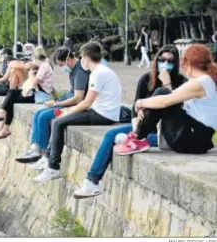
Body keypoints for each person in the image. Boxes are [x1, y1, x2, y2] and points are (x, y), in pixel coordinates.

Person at [73, 44, 187, 198]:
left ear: (176, 63)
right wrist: (135, 125)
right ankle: (92, 182)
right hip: (143, 128)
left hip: (167, 133)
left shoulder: (182, 82)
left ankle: (131, 140)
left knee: (134, 136)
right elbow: (135, 107)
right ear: (156, 60)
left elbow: (177, 109)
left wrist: (167, 84)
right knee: (111, 135)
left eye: (170, 61)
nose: (165, 64)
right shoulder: (146, 79)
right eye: (162, 59)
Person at [33, 42, 122, 182]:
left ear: (86, 57)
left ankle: (53, 167)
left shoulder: (98, 73)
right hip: (102, 112)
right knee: (58, 121)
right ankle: (48, 159)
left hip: (102, 115)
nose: (81, 61)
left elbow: (86, 102)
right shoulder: (101, 71)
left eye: (81, 57)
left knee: (57, 122)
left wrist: (68, 111)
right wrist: (68, 111)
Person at [114, 44, 217, 156]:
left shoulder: (200, 82)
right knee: (161, 94)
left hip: (191, 140)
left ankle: (138, 138)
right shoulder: (206, 80)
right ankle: (137, 136)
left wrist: (140, 103)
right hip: (198, 140)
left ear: (187, 63)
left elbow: (166, 100)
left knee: (161, 92)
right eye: (162, 60)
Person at [15, 46, 90, 163]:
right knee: (38, 113)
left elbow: (78, 98)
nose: (62, 68)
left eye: (61, 65)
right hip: (66, 100)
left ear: (68, 59)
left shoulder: (80, 72)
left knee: (44, 116)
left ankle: (44, 153)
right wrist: (56, 100)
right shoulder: (73, 70)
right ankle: (34, 146)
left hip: (74, 106)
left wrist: (56, 103)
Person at [0, 46, 54, 140]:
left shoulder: (44, 66)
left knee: (12, 98)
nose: (32, 59)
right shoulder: (44, 65)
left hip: (39, 96)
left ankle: (3, 121)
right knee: (12, 93)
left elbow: (34, 83)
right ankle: (3, 122)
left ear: (35, 56)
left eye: (33, 56)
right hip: (36, 93)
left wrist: (30, 75)